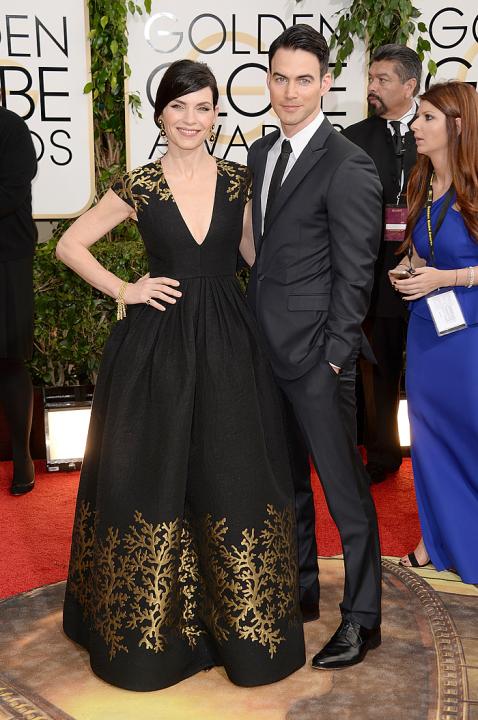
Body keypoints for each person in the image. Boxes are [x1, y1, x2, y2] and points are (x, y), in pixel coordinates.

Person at [59, 60, 305, 691]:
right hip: (157, 347)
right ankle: (152, 638)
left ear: (217, 114)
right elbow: (69, 244)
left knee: (231, 470)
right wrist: (126, 289)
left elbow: (254, 256)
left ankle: (240, 633)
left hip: (229, 343)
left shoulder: (240, 179)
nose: (192, 120)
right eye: (179, 107)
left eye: (204, 107)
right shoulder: (138, 185)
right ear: (160, 113)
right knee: (154, 473)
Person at [247, 24, 383, 670]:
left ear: (327, 84)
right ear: (268, 82)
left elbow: (357, 274)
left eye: (304, 79)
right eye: (280, 78)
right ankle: (301, 592)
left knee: (344, 493)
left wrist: (333, 356)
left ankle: (363, 618)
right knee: (287, 485)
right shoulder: (261, 152)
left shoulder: (348, 164)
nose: (291, 92)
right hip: (265, 349)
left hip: (319, 358)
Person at [390, 81, 478, 582]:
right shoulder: (420, 182)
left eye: (427, 118)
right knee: (428, 440)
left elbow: (457, 267)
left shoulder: (476, 185)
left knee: (468, 436)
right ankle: (434, 539)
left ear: (457, 125)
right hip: (426, 332)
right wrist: (409, 268)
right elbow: (425, 251)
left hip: (468, 337)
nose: (415, 126)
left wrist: (448, 278)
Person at [342, 44, 421, 485]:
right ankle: (381, 452)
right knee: (376, 368)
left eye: (382, 80)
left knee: (431, 367)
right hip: (371, 274)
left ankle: (436, 452)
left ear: (410, 86)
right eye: (370, 79)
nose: (372, 87)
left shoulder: (439, 132)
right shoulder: (352, 139)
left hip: (431, 270)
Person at [0, 105, 38, 496]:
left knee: (9, 359)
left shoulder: (10, 127)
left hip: (6, 259)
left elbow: (10, 193)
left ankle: (21, 455)